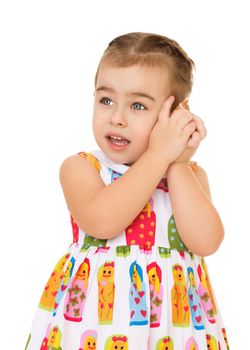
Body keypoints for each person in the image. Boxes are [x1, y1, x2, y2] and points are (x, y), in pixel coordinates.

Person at [25, 32, 230, 350]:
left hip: (172, 330)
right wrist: (159, 154)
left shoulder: (188, 176)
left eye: (137, 105)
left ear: (176, 114)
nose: (116, 118)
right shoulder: (82, 168)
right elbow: (102, 221)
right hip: (98, 330)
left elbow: (206, 242)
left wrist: (175, 163)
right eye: (106, 100)